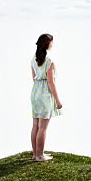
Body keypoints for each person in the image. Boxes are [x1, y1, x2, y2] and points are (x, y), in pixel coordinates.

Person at [30, 33, 62, 162]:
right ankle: (40, 155)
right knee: (43, 127)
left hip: (35, 93)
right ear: (48, 44)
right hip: (44, 94)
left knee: (35, 125)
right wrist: (58, 100)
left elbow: (33, 78)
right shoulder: (49, 61)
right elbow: (50, 82)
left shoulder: (33, 59)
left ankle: (35, 154)